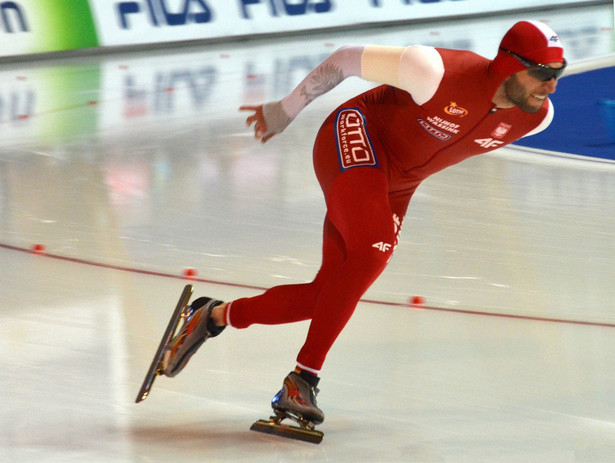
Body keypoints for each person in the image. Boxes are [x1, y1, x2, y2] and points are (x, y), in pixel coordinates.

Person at [160, 20, 566, 427]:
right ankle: (302, 379)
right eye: (544, 74)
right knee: (373, 251)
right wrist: (285, 110)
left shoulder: (536, 118)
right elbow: (344, 60)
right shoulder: (433, 70)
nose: (551, 86)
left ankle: (212, 317)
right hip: (356, 136)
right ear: (508, 64)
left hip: (398, 182)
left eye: (558, 73)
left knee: (331, 293)